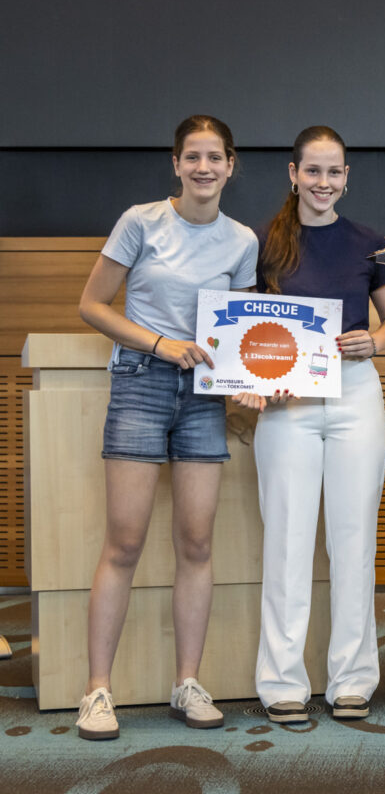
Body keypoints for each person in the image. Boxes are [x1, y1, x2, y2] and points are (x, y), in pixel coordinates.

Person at [75, 115, 258, 740]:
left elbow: (239, 336)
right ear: (176, 164)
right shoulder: (141, 221)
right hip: (140, 383)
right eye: (192, 157)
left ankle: (187, 682)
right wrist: (160, 344)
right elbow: (91, 304)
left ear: (231, 165)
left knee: (197, 544)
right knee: (123, 542)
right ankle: (97, 691)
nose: (203, 168)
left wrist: (250, 386)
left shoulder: (242, 240)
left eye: (215, 157)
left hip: (205, 397)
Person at [232, 126, 385, 724]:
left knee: (354, 542)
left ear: (346, 178)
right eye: (313, 172)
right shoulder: (261, 241)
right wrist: (258, 378)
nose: (324, 183)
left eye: (334, 173)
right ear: (292, 173)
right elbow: (242, 328)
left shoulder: (369, 241)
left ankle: (352, 680)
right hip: (288, 404)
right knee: (287, 542)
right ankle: (282, 683)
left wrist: (375, 342)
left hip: (355, 395)